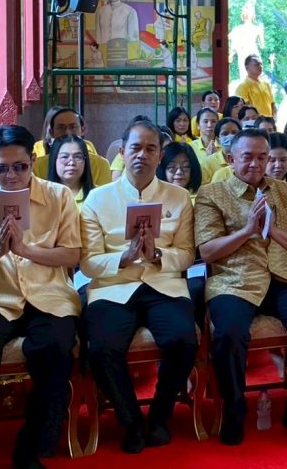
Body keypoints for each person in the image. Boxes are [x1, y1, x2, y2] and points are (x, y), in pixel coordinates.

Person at [194, 129, 287, 445]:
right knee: (229, 333)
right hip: (235, 280)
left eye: (262, 157)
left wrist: (272, 229)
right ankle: (234, 410)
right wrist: (248, 231)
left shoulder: (283, 191)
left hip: (281, 276)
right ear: (231, 158)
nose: (255, 164)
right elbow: (207, 251)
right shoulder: (212, 193)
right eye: (247, 157)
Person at [0, 125, 81, 469]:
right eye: (1, 168)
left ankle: (31, 447)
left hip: (49, 294)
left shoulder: (58, 196)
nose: (11, 176)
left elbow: (71, 254)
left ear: (33, 161)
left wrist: (26, 250)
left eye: (20, 167)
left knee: (55, 348)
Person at [79, 120, 197, 453]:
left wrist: (158, 255)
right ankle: (130, 420)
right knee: (102, 347)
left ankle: (159, 415)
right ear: (122, 151)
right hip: (113, 286)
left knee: (183, 340)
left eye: (150, 149)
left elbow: (187, 254)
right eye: (135, 148)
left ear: (160, 155)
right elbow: (88, 262)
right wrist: (124, 258)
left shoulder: (179, 197)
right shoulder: (97, 199)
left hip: (163, 283)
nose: (142, 155)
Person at [32, 107, 112, 187]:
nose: (68, 132)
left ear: (83, 130)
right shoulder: (37, 166)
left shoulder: (100, 165)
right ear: (51, 132)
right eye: (61, 128)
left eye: (73, 127)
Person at [95, 0, 140, 67]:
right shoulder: (100, 11)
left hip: (122, 52)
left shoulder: (130, 11)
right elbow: (98, 35)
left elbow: (134, 38)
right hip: (104, 53)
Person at [47, 134, 96, 207]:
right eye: (64, 157)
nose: (71, 163)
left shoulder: (98, 195)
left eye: (77, 157)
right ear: (54, 160)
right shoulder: (42, 195)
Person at [200, 117, 241, 184]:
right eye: (225, 134)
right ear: (218, 139)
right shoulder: (207, 163)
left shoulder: (247, 159)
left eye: (234, 132)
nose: (230, 136)